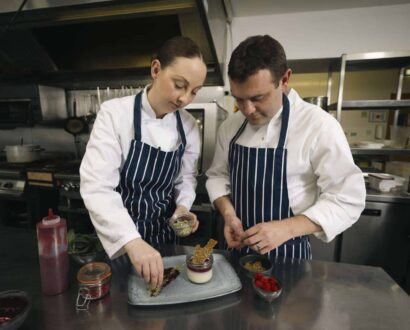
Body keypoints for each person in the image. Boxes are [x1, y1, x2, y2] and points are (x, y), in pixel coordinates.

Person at [206, 35, 366, 260]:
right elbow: (217, 177)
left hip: (289, 256)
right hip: (236, 249)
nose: (247, 109)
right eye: (239, 99)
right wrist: (228, 214)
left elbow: (347, 198)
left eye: (257, 98)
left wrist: (287, 228)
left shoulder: (318, 125)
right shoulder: (230, 127)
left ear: (285, 79)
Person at [80, 36, 207, 289]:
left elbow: (186, 177)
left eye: (194, 91)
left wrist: (182, 207)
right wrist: (132, 240)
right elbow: (97, 186)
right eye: (179, 85)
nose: (184, 99)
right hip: (122, 236)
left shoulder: (189, 126)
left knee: (166, 298)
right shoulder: (115, 114)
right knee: (125, 301)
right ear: (156, 69)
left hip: (166, 236)